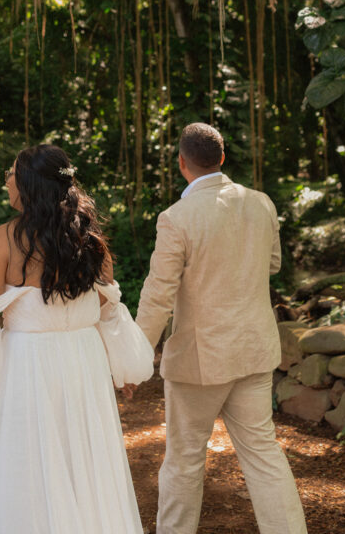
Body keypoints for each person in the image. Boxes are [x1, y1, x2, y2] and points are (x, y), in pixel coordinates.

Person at [0, 143, 154, 534]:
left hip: (26, 369)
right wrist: (123, 365)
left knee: (19, 465)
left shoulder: (4, 240)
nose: (6, 180)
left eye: (10, 173)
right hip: (83, 367)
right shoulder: (91, 240)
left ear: (27, 185)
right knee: (81, 465)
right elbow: (109, 309)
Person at [134, 122, 307, 534]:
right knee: (264, 454)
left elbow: (158, 294)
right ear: (222, 158)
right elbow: (273, 265)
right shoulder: (260, 202)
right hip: (253, 351)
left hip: (200, 360)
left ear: (181, 163)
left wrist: (135, 358)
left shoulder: (177, 217)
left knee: (184, 460)